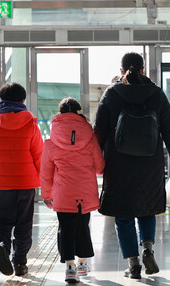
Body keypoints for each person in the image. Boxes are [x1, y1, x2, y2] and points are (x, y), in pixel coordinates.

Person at [93, 52, 170, 279]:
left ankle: (133, 264)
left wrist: (93, 163)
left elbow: (98, 132)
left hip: (118, 165)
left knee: (123, 215)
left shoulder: (112, 94)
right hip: (150, 164)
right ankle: (147, 248)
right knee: (146, 208)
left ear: (121, 69)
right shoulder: (156, 94)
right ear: (143, 69)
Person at [0, 82, 43, 277]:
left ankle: (1, 244)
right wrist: (46, 184)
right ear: (23, 100)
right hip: (26, 182)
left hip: (1, 184)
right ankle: (20, 262)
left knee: (2, 222)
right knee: (23, 224)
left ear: (2, 100)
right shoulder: (31, 124)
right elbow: (39, 156)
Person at [40, 97, 105, 284]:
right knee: (83, 226)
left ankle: (70, 267)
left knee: (65, 228)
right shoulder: (90, 136)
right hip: (85, 191)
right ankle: (83, 262)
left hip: (63, 193)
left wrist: (46, 195)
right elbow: (100, 167)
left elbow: (46, 173)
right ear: (79, 112)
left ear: (60, 114)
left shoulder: (51, 141)